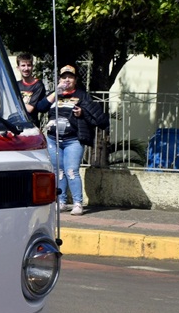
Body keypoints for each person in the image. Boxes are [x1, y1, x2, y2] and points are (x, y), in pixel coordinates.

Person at [33, 65, 109, 215]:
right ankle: (61, 201)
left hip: (73, 140)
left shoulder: (82, 95)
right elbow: (40, 107)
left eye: (70, 77)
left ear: (75, 80)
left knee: (71, 171)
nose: (67, 80)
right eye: (64, 77)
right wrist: (56, 92)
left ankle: (77, 203)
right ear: (59, 79)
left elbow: (97, 117)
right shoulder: (55, 95)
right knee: (59, 171)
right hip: (53, 139)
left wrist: (82, 113)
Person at [16, 52, 46, 118]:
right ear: (18, 68)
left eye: (29, 65)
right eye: (23, 65)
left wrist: (15, 103)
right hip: (16, 120)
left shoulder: (38, 85)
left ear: (32, 67)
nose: (26, 68)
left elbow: (29, 109)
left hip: (30, 122)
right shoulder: (16, 85)